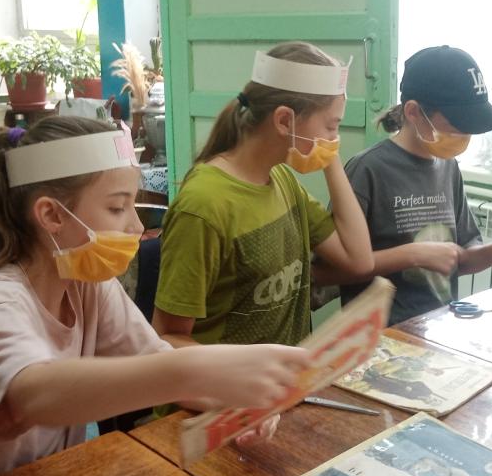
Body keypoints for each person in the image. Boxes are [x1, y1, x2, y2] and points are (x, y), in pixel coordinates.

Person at [0, 117, 308, 476]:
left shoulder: (88, 286)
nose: (136, 226)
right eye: (117, 208)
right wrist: (193, 371)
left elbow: (153, 360)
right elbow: (30, 396)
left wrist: (234, 402)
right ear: (52, 215)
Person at [152, 41, 373, 348]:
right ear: (284, 121)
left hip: (286, 378)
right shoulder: (204, 206)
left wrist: (329, 157)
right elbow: (166, 338)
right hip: (231, 380)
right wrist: (249, 371)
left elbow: (359, 261)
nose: (335, 139)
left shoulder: (283, 180)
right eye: (331, 126)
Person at [314, 45, 492, 326]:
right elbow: (324, 274)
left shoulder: (447, 166)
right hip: (382, 334)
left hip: (437, 326)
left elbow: (457, 259)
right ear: (413, 112)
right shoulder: (368, 170)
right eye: (458, 124)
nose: (465, 135)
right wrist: (410, 256)